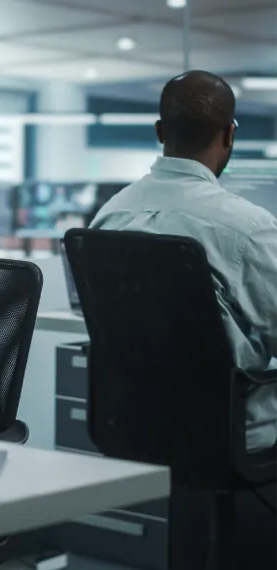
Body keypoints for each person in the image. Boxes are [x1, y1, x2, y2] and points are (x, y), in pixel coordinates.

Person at [91, 70, 277, 453]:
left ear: (160, 131)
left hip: (134, 419)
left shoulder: (109, 216)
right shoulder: (248, 228)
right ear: (229, 135)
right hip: (232, 429)